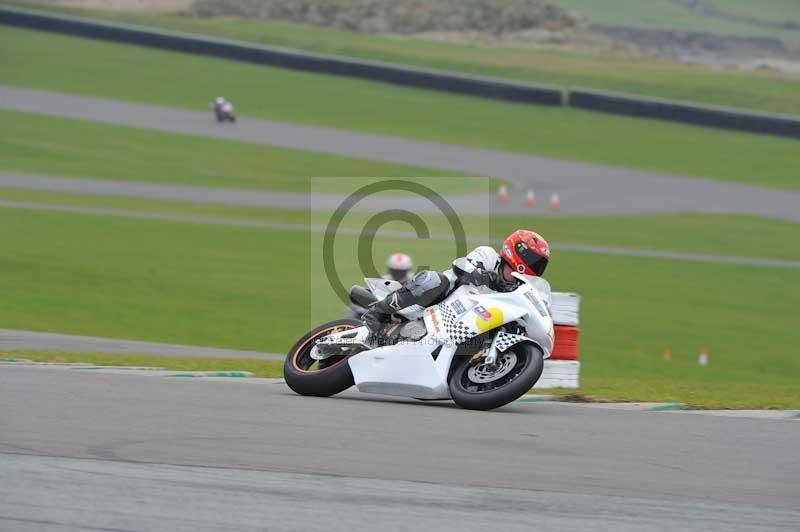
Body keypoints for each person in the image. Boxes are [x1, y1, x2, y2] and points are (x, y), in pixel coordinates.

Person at [361, 230, 550, 338]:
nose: (535, 266)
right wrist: (484, 276)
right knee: (435, 280)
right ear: (517, 252)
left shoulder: (520, 290)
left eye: (539, 264)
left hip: (464, 326)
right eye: (533, 260)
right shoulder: (489, 256)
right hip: (436, 305)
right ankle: (377, 311)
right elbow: (462, 264)